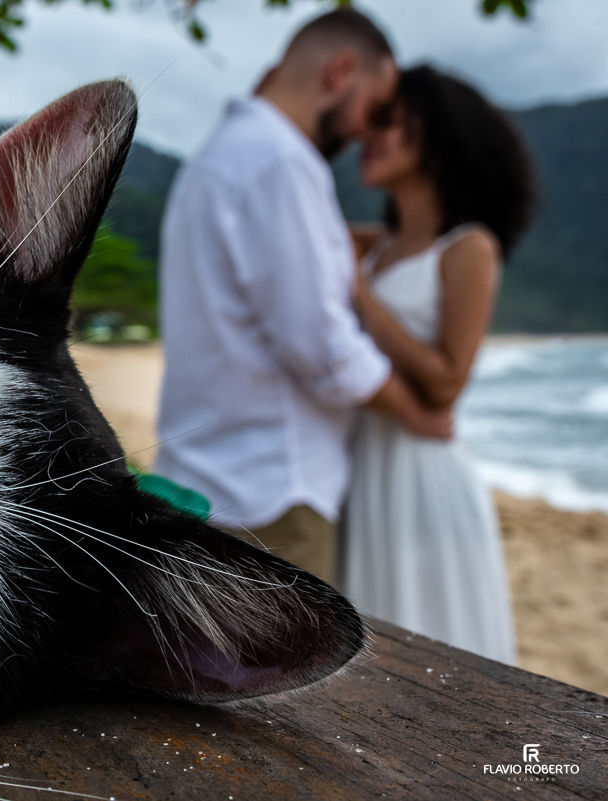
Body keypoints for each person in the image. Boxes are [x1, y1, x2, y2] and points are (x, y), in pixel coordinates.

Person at [154, 9, 450, 586]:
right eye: (378, 107)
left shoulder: (218, 156)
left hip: (211, 475)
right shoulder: (281, 162)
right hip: (272, 493)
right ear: (341, 74)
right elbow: (324, 351)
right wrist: (421, 415)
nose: (369, 130)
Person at [343, 65, 535, 663]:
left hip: (421, 471)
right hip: (363, 462)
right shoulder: (377, 244)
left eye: (390, 122)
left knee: (434, 649)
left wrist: (362, 298)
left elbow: (448, 381)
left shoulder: (468, 247)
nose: (368, 136)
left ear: (438, 137)